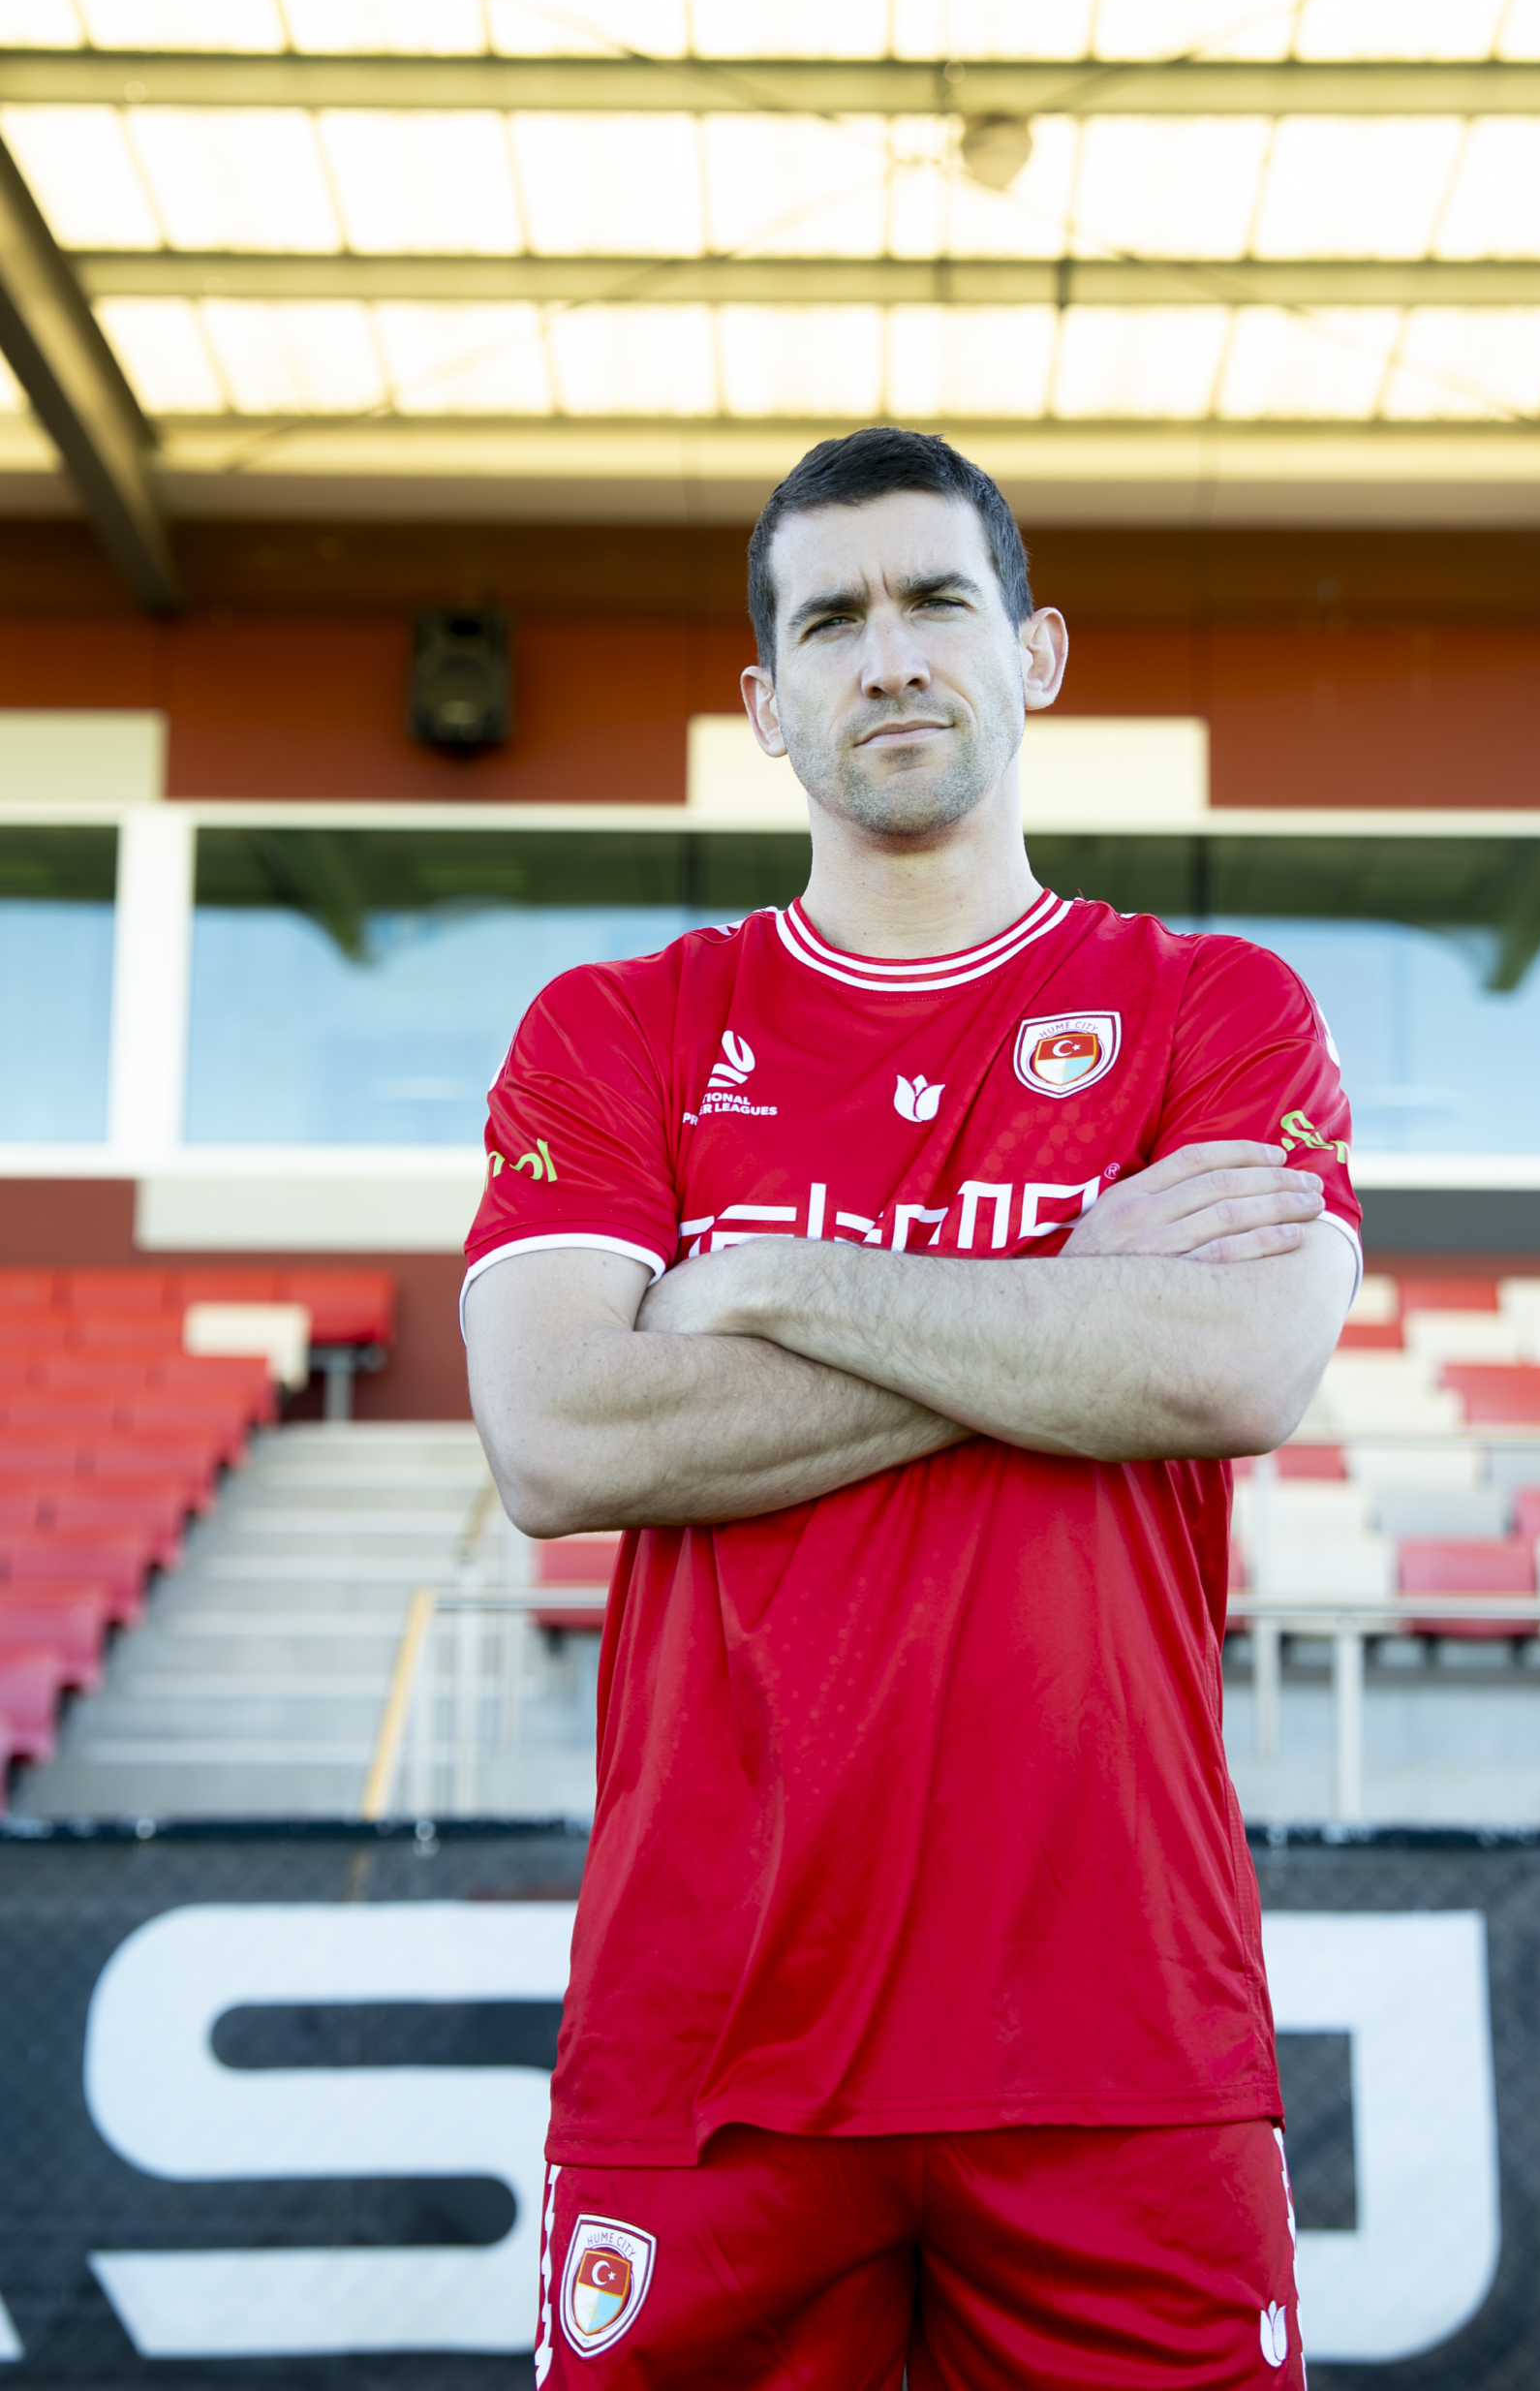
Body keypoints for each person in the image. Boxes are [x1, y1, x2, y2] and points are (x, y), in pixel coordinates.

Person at [464, 427, 1361, 2389]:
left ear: (1035, 652)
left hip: (1121, 2033)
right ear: (764, 701)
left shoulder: (1215, 1009)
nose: (888, 656)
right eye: (831, 620)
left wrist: (775, 1279)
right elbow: (558, 1438)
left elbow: (1231, 1367)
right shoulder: (620, 1031)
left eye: (938, 599)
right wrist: (1069, 1309)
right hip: (711, 2035)